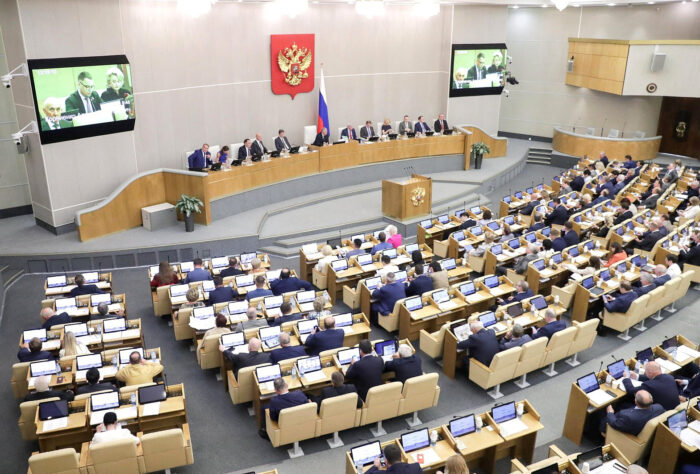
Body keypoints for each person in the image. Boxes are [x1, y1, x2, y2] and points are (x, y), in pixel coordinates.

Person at [600, 390, 665, 436]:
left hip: (623, 431)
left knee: (599, 416)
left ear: (636, 401)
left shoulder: (628, 418)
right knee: (622, 405)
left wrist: (610, 413)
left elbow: (614, 423)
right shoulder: (659, 407)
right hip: (638, 422)